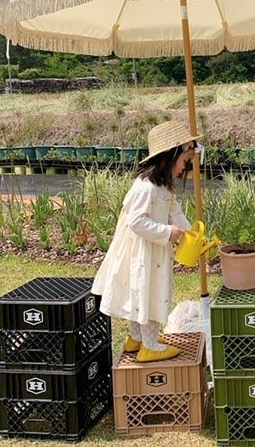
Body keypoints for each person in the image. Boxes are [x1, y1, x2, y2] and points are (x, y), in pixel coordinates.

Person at [92, 120, 199, 362]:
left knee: (140, 292)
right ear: (170, 157)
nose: (186, 167)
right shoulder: (145, 188)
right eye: (185, 161)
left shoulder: (163, 187)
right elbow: (136, 222)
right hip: (143, 252)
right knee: (148, 293)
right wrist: (166, 232)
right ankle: (149, 345)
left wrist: (190, 233)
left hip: (152, 250)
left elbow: (175, 211)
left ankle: (137, 339)